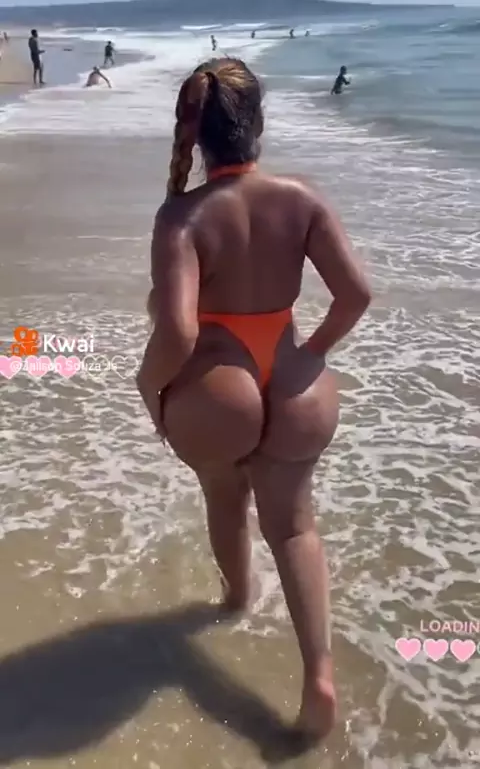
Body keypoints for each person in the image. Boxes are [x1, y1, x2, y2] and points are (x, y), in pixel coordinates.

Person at [136, 58, 371, 741]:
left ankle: (236, 601)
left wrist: (148, 387)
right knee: (294, 526)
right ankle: (318, 674)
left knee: (225, 500)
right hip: (295, 383)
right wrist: (310, 352)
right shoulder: (303, 197)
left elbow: (179, 331)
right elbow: (356, 295)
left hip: (219, 389)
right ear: (258, 123)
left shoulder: (182, 215)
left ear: (196, 134)